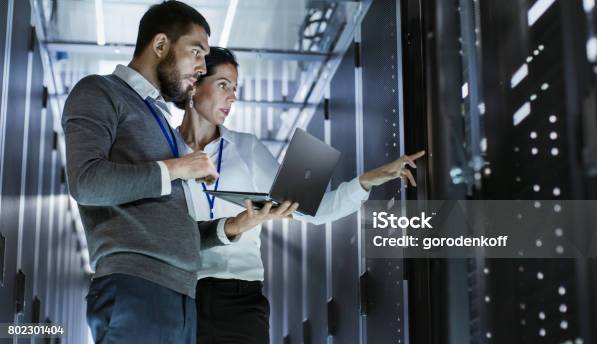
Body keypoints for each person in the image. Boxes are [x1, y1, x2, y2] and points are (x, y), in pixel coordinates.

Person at [62, 3, 297, 343]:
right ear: (160, 46)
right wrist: (177, 167)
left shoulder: (159, 122)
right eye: (196, 52)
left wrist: (232, 227)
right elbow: (87, 182)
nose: (201, 66)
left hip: (181, 295)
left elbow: (170, 225)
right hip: (136, 287)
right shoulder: (100, 91)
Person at [173, 47, 425, 344]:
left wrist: (367, 181)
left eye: (235, 89)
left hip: (239, 300)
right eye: (223, 85)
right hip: (178, 296)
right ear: (194, 85)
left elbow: (313, 210)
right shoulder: (163, 151)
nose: (232, 97)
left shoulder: (246, 148)